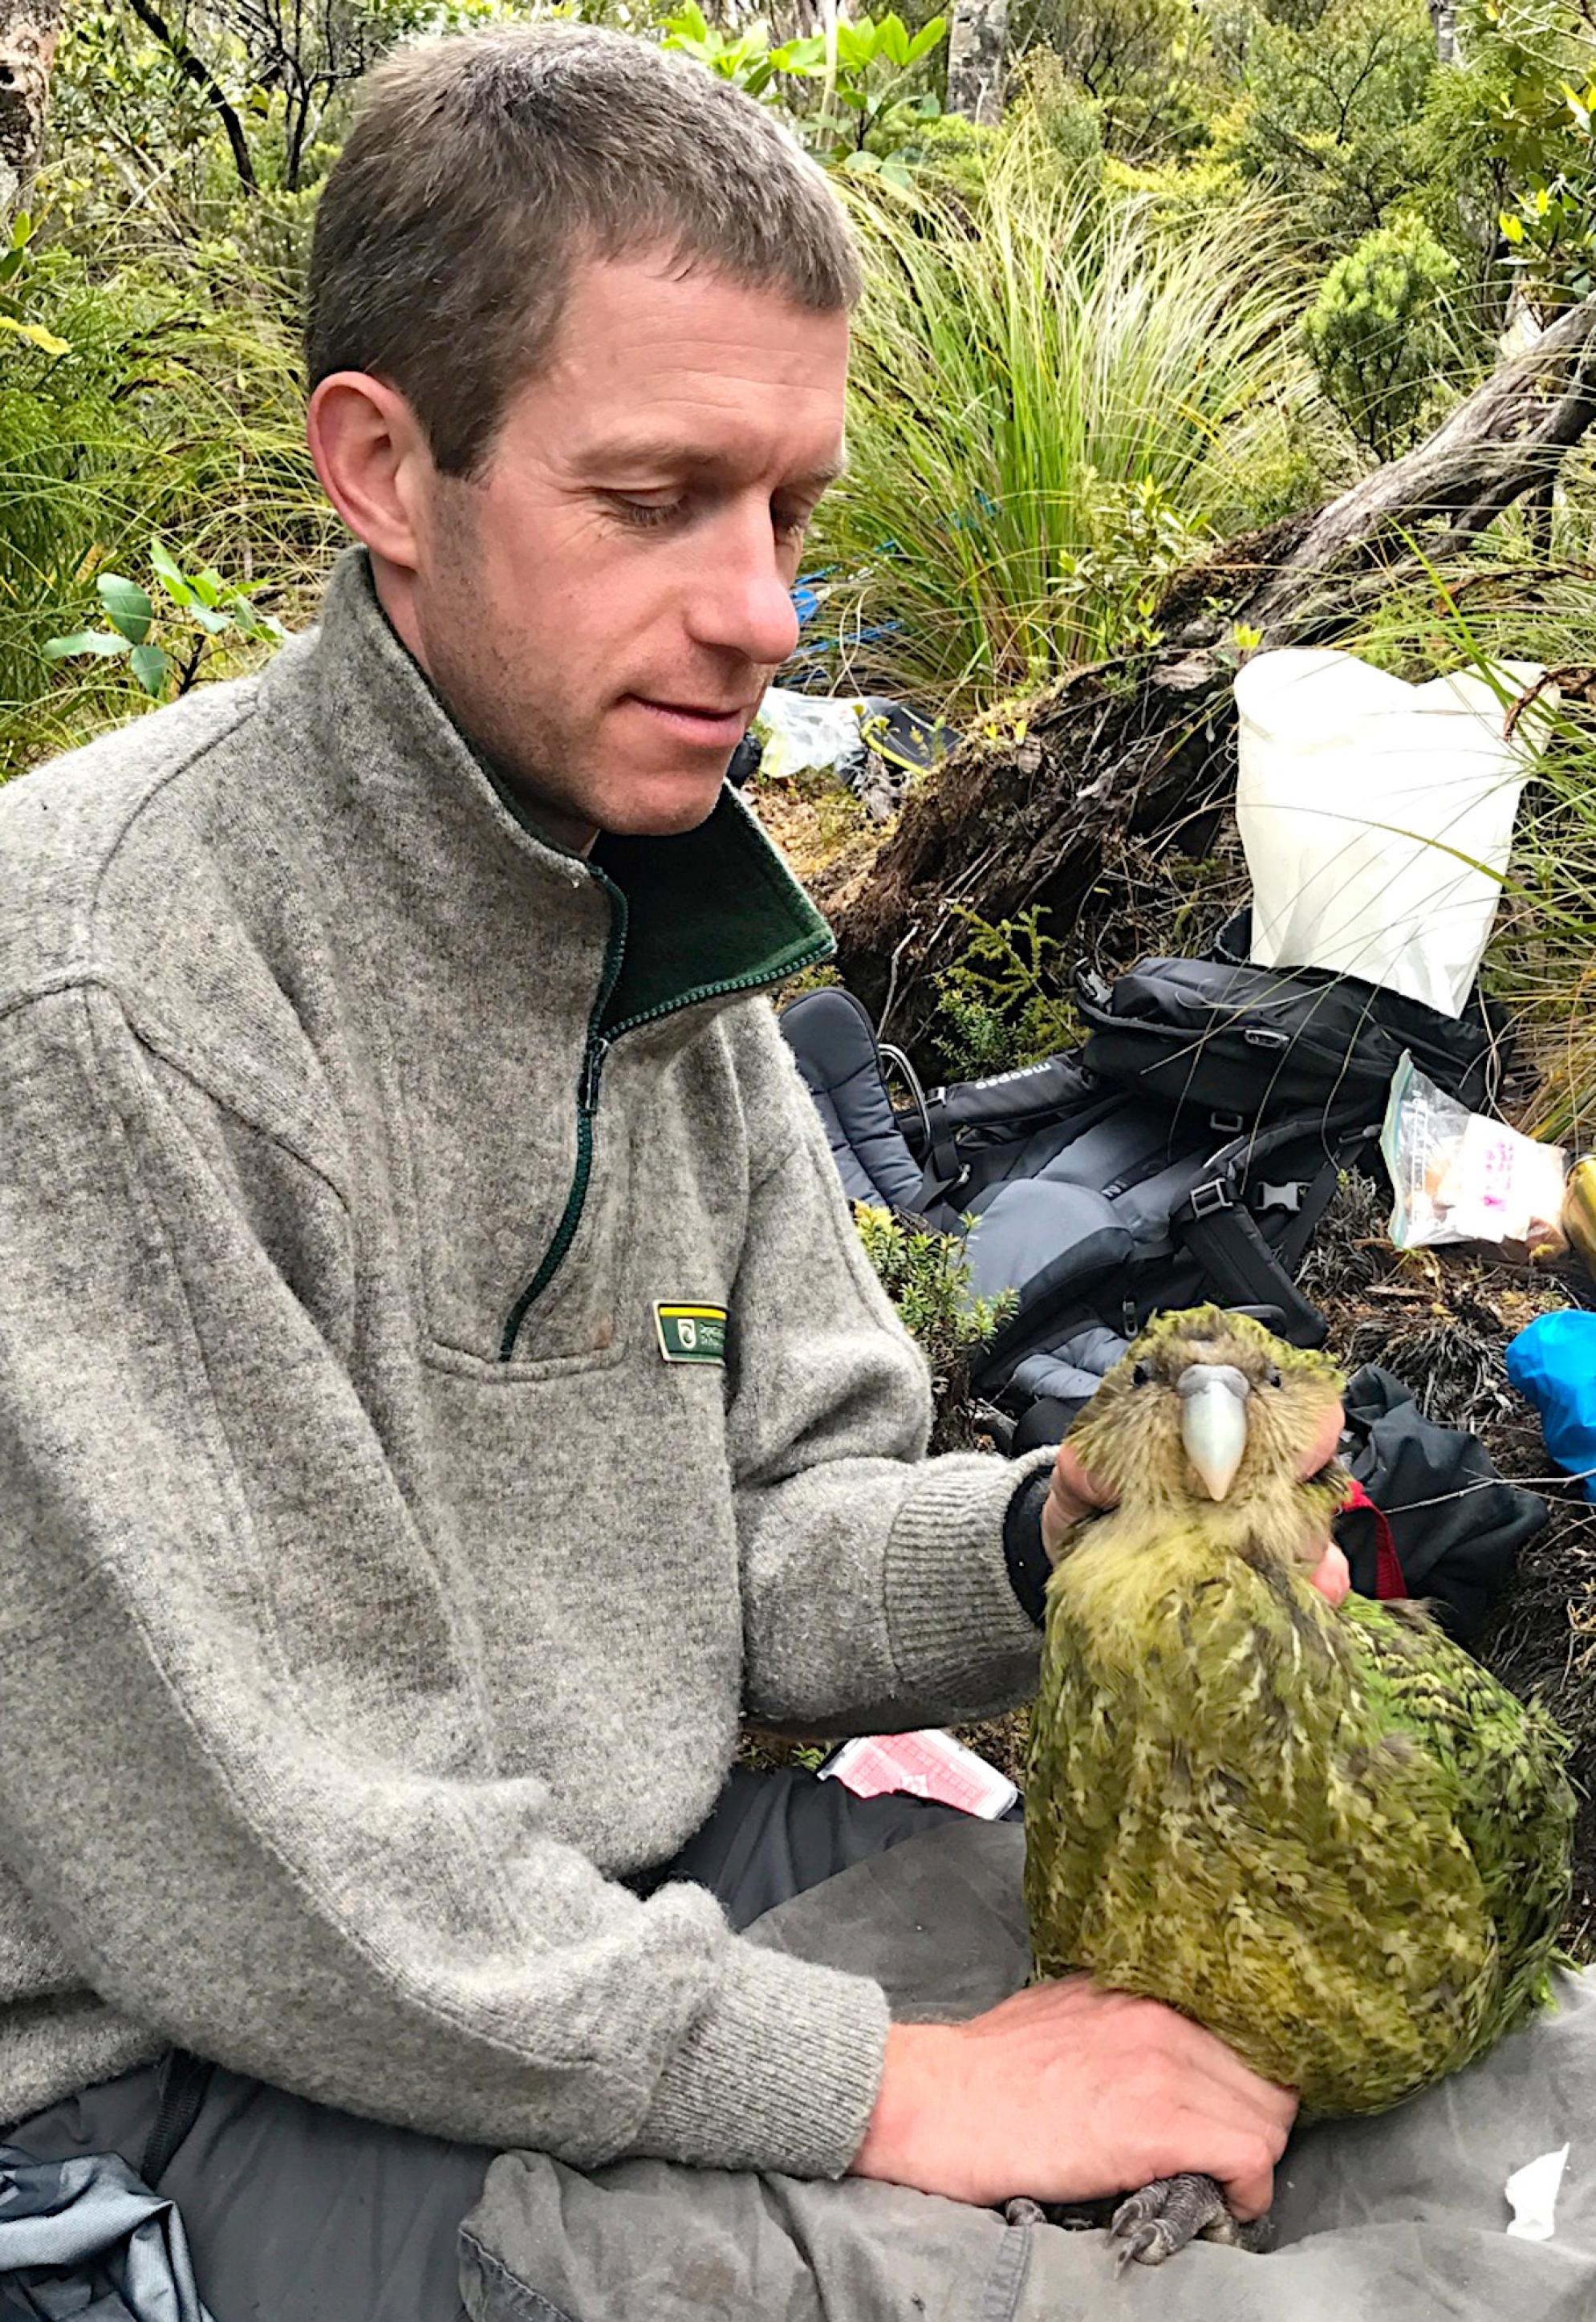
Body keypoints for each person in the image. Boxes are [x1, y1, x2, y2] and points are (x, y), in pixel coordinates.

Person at [0, 22, 1347, 2316]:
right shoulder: (111, 997)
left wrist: (1052, 1541)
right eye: (656, 502)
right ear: (384, 468)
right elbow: (300, 1854)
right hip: (198, 2059)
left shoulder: (665, 923)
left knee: (1362, 2090)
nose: (768, 618)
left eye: (792, 511)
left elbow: (764, 1553)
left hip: (629, 1903)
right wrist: (903, 2092)